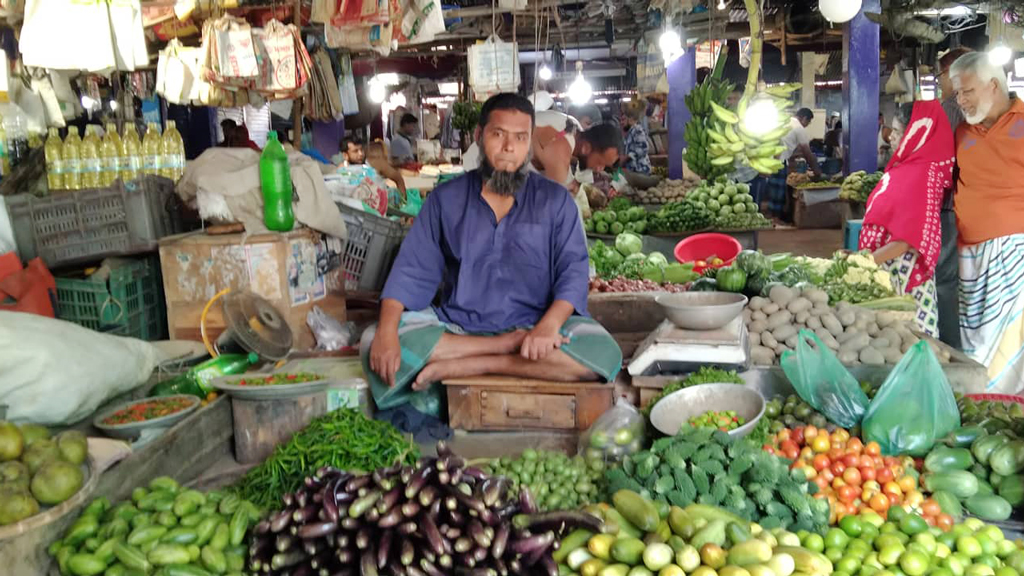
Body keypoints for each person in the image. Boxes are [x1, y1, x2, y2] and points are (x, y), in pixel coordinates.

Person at [362, 92, 622, 415]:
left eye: (520, 137)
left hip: (535, 327)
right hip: (459, 329)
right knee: (373, 341)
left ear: (529, 143)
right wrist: (387, 332)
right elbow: (411, 269)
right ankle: (503, 349)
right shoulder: (446, 200)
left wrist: (549, 326)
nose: (509, 148)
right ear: (479, 136)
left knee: (604, 354)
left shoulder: (556, 202)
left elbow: (573, 271)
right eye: (498, 135)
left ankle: (470, 367)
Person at [950, 51, 1024, 392]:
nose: (961, 100)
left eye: (967, 91)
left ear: (993, 85)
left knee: (1010, 340)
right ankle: (981, 397)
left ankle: (1003, 404)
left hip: (1015, 253)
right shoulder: (961, 132)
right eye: (957, 93)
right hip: (970, 257)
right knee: (975, 337)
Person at [859, 101, 954, 338]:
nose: (891, 137)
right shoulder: (909, 167)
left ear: (915, 134)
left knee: (909, 342)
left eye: (898, 132)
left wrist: (866, 262)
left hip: (903, 277)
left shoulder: (921, 175)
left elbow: (908, 239)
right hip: (887, 269)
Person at [933, 46, 972, 350]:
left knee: (945, 281)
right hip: (972, 205)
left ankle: (950, 345)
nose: (939, 81)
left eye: (940, 74)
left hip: (948, 205)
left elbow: (936, 159)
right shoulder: (981, 109)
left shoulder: (950, 107)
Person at [768, 108, 821, 219]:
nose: (807, 125)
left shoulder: (786, 122)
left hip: (771, 159)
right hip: (779, 161)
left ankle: (773, 216)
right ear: (804, 118)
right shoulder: (798, 128)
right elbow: (806, 151)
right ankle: (776, 219)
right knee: (778, 192)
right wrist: (816, 170)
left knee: (774, 191)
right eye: (808, 122)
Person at [621, 102, 651, 175]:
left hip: (640, 170)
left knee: (618, 181)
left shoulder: (637, 129)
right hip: (632, 170)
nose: (621, 122)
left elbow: (644, 148)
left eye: (623, 119)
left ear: (630, 119)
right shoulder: (630, 133)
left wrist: (627, 157)